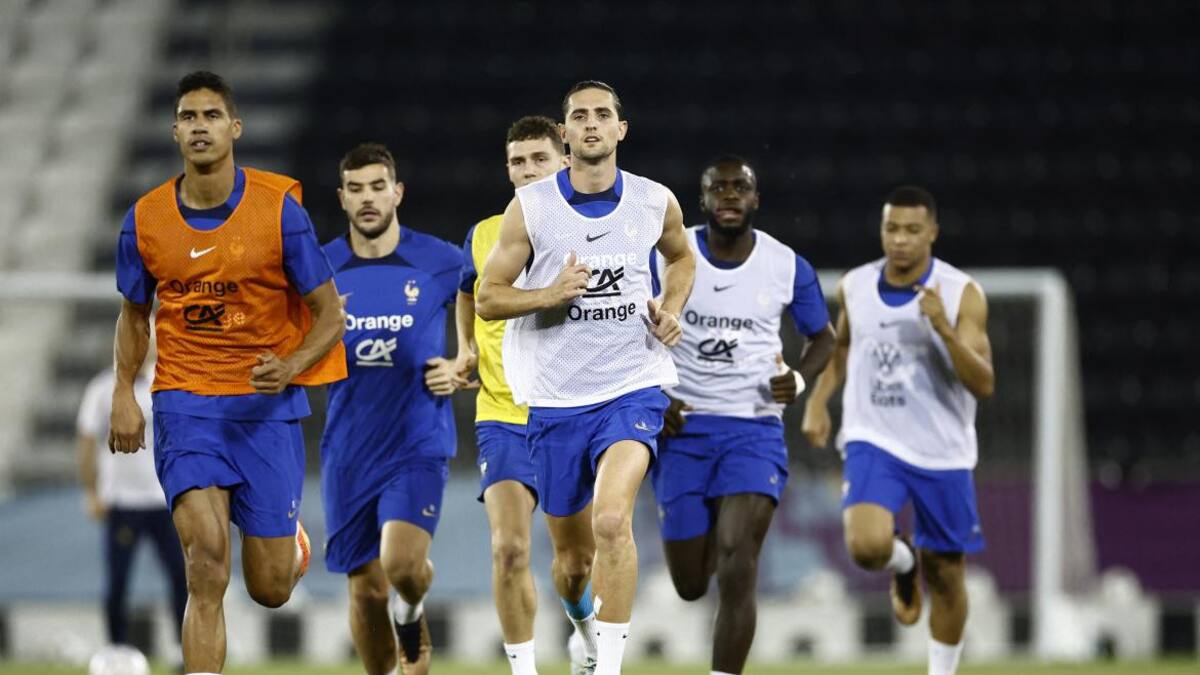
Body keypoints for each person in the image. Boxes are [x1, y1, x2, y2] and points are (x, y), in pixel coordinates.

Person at [108, 71, 347, 675]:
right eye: (188, 117)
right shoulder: (145, 219)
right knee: (207, 564)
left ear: (234, 127)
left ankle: (288, 544)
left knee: (270, 588)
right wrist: (123, 393)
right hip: (185, 402)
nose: (200, 127)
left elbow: (329, 314)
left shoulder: (279, 211)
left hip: (265, 411)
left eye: (211, 115)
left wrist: (291, 365)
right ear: (174, 131)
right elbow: (134, 314)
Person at [477, 80, 696, 675]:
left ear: (621, 129)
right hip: (555, 399)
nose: (592, 123)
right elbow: (488, 298)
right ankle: (582, 631)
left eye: (603, 115)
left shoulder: (654, 201)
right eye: (580, 116)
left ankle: (610, 667)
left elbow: (681, 256)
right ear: (565, 133)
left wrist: (671, 308)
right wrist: (549, 294)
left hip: (631, 386)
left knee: (611, 520)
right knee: (573, 565)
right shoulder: (532, 208)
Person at [651, 156, 836, 675]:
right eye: (719, 188)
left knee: (738, 559)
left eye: (740, 187)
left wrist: (798, 379)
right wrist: (653, 394)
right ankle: (709, 517)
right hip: (682, 428)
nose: (729, 195)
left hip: (753, 428)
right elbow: (624, 324)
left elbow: (824, 337)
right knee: (691, 584)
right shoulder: (667, 255)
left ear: (755, 199)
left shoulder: (785, 265)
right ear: (703, 199)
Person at [801, 186, 994, 675]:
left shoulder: (961, 293)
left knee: (947, 574)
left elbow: (984, 383)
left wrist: (944, 330)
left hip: (941, 450)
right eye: (892, 228)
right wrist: (819, 402)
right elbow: (843, 346)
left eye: (912, 230)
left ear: (932, 233)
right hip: (874, 437)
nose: (900, 239)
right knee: (866, 547)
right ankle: (903, 561)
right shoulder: (856, 285)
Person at [456, 115, 602, 675]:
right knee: (509, 548)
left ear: (564, 161)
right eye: (517, 161)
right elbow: (468, 291)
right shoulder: (484, 234)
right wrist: (466, 347)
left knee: (576, 562)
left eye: (539, 159)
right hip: (503, 414)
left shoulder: (596, 230)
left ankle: (583, 628)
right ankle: (523, 669)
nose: (527, 170)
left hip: (569, 411)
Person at [320, 142, 465, 675]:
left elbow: (487, 302)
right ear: (341, 197)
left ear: (397, 192)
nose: (368, 198)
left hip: (416, 442)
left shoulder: (440, 261)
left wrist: (463, 361)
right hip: (349, 448)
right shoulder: (321, 268)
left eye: (378, 187)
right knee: (365, 590)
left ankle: (412, 605)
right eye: (356, 189)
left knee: (401, 565)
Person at [77, 337, 187, 655]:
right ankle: (117, 651)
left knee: (182, 576)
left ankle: (183, 649)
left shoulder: (166, 382)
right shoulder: (102, 389)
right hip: (123, 501)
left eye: (149, 341)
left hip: (164, 500)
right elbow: (86, 442)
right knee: (118, 581)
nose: (146, 347)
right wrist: (91, 492)